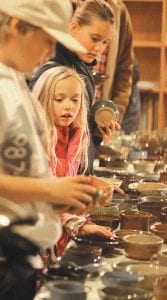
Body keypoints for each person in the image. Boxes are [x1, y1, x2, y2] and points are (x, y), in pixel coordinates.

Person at [0, 0, 111, 298]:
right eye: (47, 39)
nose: (50, 51)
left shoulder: (16, 82)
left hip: (23, 260)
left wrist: (65, 197)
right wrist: (50, 191)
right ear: (17, 26)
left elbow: (18, 174)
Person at [29, 0, 120, 174]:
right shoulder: (54, 72)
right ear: (73, 27)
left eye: (105, 43)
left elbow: (75, 136)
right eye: (95, 39)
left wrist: (96, 132)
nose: (99, 48)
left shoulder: (82, 69)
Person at [32, 66, 113, 258]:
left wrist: (89, 184)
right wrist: (77, 224)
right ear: (43, 99)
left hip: (61, 233)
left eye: (75, 100)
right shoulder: (38, 140)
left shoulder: (77, 135)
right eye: (59, 99)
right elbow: (42, 198)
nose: (69, 106)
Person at [90, 0, 134, 125]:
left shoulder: (120, 12)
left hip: (99, 115)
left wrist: (114, 115)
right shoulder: (70, 5)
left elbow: (125, 71)